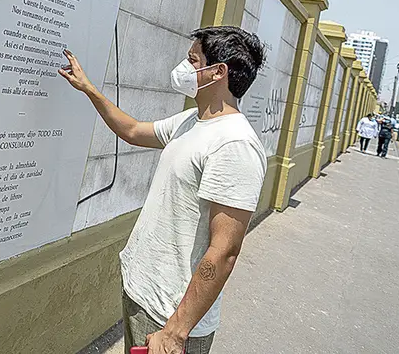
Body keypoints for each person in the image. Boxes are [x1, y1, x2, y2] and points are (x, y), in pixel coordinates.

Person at [59, 26, 267, 354]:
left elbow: (224, 252)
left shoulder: (235, 144)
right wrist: (89, 89)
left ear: (217, 72)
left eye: (192, 59)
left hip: (170, 316)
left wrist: (175, 332)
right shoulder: (190, 121)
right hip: (144, 293)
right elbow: (131, 130)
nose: (183, 67)